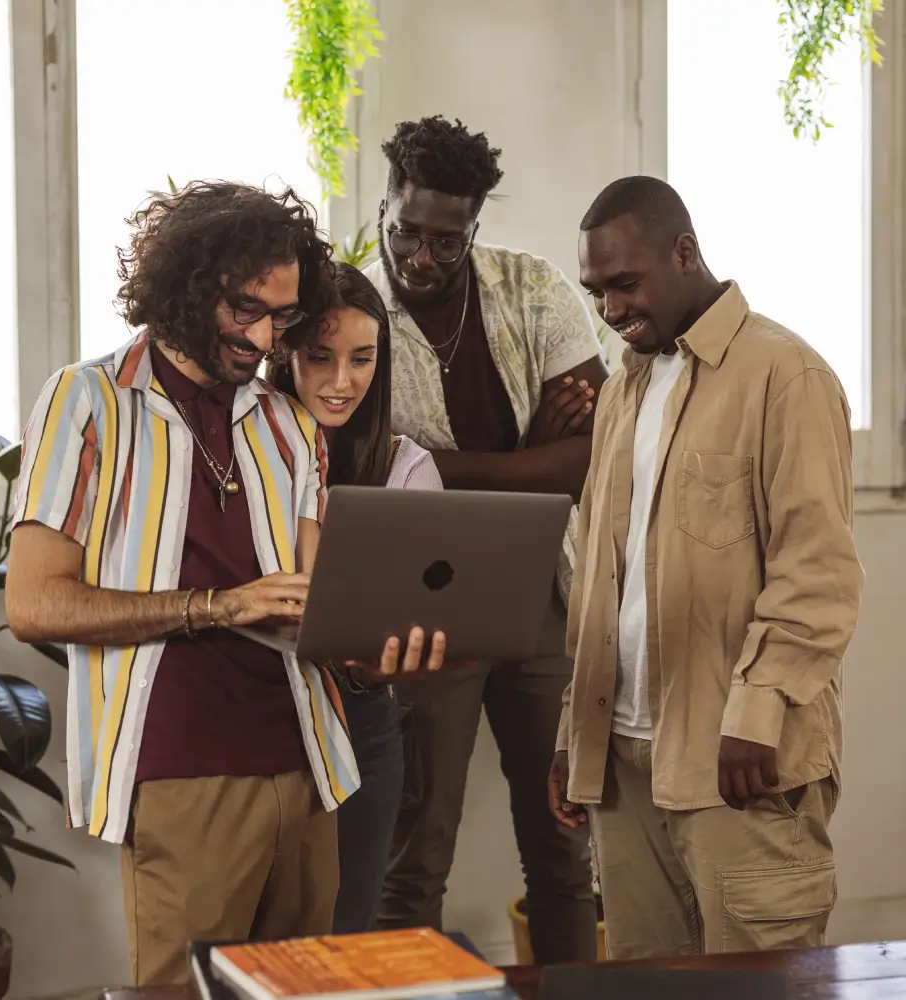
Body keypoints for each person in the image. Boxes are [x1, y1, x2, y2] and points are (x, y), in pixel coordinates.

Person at [4, 181, 445, 987]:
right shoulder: (87, 402)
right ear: (189, 287)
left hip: (314, 765)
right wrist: (218, 606)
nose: (266, 335)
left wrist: (382, 654)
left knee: (305, 991)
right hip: (184, 772)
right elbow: (34, 605)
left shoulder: (288, 423)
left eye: (282, 315)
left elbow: (320, 606)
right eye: (248, 310)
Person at [549, 175, 864, 958]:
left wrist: (758, 710)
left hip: (740, 766)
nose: (611, 310)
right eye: (597, 292)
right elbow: (599, 578)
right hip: (622, 768)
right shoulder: (624, 388)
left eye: (626, 284)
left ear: (685, 252)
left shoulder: (786, 376)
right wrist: (573, 732)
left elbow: (817, 573)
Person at [363, 115, 608, 964]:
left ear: (476, 227)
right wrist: (525, 453)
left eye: (447, 241)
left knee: (563, 841)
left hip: (542, 592)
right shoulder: (351, 319)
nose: (421, 258)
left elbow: (589, 461)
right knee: (415, 852)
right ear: (383, 206)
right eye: (406, 232)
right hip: (424, 605)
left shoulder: (532, 288)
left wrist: (439, 464)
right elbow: (360, 476)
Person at [269, 261, 443, 934]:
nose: (342, 382)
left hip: (362, 716)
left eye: (363, 359)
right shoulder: (246, 451)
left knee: (347, 931)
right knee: (259, 939)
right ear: (285, 356)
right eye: (320, 357)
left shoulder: (405, 468)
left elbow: (418, 610)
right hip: (258, 708)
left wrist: (387, 661)